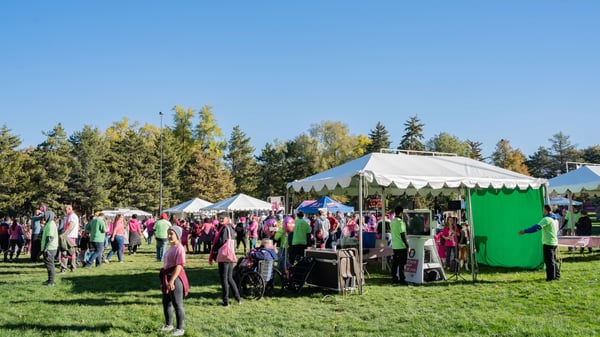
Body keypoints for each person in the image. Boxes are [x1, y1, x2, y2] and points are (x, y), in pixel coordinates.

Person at [159, 226, 188, 336]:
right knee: (166, 303)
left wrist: (171, 281)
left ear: (178, 235)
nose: (169, 236)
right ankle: (169, 325)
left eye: (172, 233)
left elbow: (179, 266)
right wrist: (164, 282)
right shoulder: (171, 247)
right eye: (168, 233)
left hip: (175, 279)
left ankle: (180, 328)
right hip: (168, 278)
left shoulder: (179, 248)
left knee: (177, 304)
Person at [518, 204, 560, 281]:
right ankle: (556, 276)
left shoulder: (547, 219)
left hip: (548, 242)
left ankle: (551, 278)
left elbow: (537, 227)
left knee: (549, 261)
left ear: (545, 210)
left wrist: (525, 231)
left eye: (543, 209)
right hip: (554, 242)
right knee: (553, 260)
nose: (542, 211)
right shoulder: (555, 219)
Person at [209, 216, 241, 307]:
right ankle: (237, 298)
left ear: (227, 218)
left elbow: (221, 241)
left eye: (223, 218)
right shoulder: (230, 227)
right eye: (220, 218)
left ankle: (225, 300)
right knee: (229, 278)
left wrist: (214, 250)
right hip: (230, 255)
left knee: (224, 279)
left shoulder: (224, 228)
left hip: (224, 256)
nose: (221, 219)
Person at [390, 206, 410, 285]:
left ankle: (394, 278)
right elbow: (403, 235)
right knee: (402, 264)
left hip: (394, 245)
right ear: (401, 213)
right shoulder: (401, 222)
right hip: (401, 246)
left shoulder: (392, 222)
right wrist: (407, 245)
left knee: (395, 263)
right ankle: (402, 279)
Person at [60, 205, 80, 273]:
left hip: (69, 236)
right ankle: (73, 268)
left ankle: (63, 269)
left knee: (64, 252)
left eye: (66, 210)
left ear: (70, 209)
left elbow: (70, 226)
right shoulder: (74, 216)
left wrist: (64, 234)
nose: (65, 211)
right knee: (72, 253)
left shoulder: (71, 216)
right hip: (72, 236)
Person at [41, 211, 58, 286]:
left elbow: (50, 237)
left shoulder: (51, 224)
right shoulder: (49, 223)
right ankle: (49, 280)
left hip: (50, 248)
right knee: (48, 264)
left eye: (45, 216)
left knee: (50, 265)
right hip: (50, 247)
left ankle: (51, 281)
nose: (44, 217)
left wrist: (46, 248)